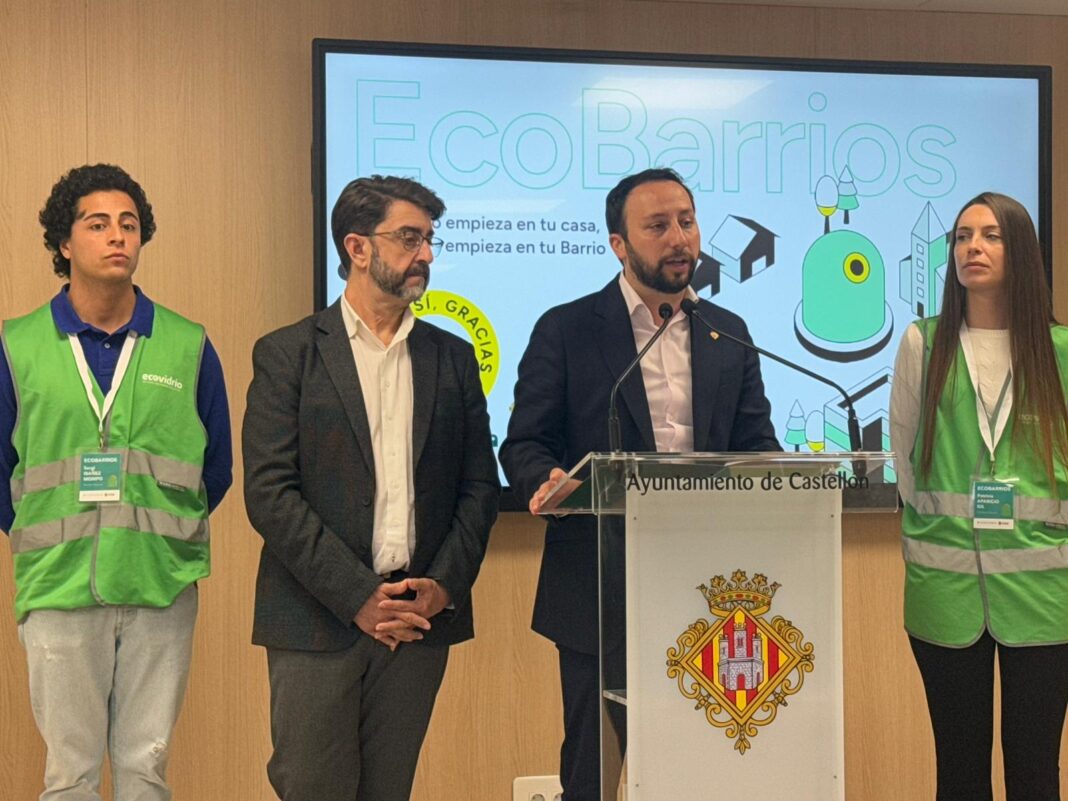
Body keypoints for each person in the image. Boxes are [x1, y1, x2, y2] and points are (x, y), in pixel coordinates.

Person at [499, 167, 779, 801]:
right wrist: (543, 478)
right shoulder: (567, 329)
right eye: (657, 226)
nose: (679, 238)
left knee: (706, 766)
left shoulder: (728, 331)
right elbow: (525, 442)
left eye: (686, 221)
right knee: (593, 771)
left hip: (711, 587)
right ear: (619, 245)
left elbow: (756, 444)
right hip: (598, 584)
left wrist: (782, 481)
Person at [243, 175, 499, 801]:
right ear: (357, 248)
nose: (426, 254)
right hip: (315, 618)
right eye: (409, 238)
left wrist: (443, 587)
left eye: (429, 239)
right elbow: (271, 493)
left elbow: (478, 487)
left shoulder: (452, 358)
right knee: (313, 788)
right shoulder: (288, 354)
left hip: (415, 621)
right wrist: (357, 595)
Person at [0, 163, 233, 800]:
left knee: (145, 771)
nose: (117, 236)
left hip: (160, 584)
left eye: (129, 224)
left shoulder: (187, 345)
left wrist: (160, 534)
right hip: (57, 586)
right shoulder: (18, 346)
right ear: (64, 242)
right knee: (69, 776)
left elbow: (215, 469)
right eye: (98, 224)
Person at [889, 191, 1068, 801]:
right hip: (945, 590)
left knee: (1035, 772)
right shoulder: (923, 343)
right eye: (963, 236)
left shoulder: (1060, 351)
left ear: (1020, 250)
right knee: (960, 773)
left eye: (990, 235)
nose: (973, 247)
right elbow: (906, 459)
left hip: (1045, 595)